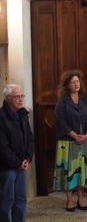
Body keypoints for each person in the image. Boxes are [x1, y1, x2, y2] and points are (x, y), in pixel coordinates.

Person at [53, 70, 87, 212]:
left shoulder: (85, 99)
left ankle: (81, 198)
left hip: (84, 141)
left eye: (77, 81)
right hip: (68, 142)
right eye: (73, 82)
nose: (76, 84)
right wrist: (74, 135)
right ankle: (69, 200)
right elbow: (60, 121)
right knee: (70, 172)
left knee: (82, 171)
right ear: (67, 85)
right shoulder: (62, 102)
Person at [0, 84, 34, 222]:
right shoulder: (1, 116)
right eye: (16, 97)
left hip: (22, 165)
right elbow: (2, 146)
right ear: (8, 98)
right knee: (7, 199)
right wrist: (17, 163)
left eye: (22, 96)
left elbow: (30, 139)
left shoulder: (23, 115)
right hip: (6, 167)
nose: (20, 99)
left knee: (20, 199)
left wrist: (27, 159)